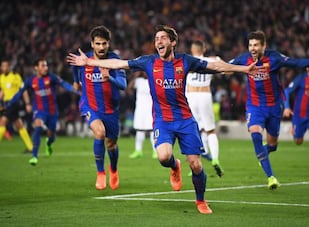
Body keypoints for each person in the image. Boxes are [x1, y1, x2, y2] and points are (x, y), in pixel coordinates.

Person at [67, 24, 258, 214]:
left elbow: (215, 65)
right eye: (156, 38)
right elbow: (119, 63)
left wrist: (243, 69)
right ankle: (175, 166)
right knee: (164, 157)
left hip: (185, 120)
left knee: (196, 164)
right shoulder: (148, 62)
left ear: (173, 42)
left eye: (163, 38)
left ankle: (201, 201)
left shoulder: (185, 61)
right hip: (162, 121)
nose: (158, 41)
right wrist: (89, 63)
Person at [229, 30, 309, 190]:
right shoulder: (244, 59)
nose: (252, 48)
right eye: (250, 45)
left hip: (274, 107)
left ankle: (264, 152)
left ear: (264, 46)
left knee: (273, 145)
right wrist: (211, 69)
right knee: (255, 134)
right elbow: (227, 65)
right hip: (255, 107)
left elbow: (297, 63)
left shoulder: (274, 58)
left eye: (256, 45)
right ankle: (271, 177)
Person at [71, 25, 127, 191]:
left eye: (104, 43)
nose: (101, 47)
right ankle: (101, 173)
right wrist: (76, 80)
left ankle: (113, 169)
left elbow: (123, 85)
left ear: (108, 44)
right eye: (98, 43)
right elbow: (75, 66)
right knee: (99, 132)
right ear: (92, 44)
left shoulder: (115, 61)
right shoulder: (84, 59)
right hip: (89, 105)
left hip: (110, 109)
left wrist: (109, 77)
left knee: (111, 145)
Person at [5, 58, 78, 165]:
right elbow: (19, 93)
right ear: (36, 68)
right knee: (38, 127)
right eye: (43, 66)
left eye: (46, 65)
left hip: (52, 111)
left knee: (51, 135)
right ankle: (34, 156)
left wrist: (74, 90)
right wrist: (9, 103)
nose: (46, 68)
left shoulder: (52, 77)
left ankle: (49, 143)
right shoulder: (31, 80)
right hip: (39, 110)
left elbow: (64, 84)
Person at [185, 40, 224, 177]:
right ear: (204, 49)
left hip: (190, 96)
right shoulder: (211, 60)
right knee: (210, 130)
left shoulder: (187, 60)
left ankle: (195, 164)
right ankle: (215, 158)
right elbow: (226, 70)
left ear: (192, 49)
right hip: (205, 95)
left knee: (193, 130)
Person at [0, 59, 33, 152]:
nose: (4, 68)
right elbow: (3, 91)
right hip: (6, 103)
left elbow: (24, 90)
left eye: (6, 66)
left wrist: (27, 103)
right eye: (2, 66)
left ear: (9, 67)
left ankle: (30, 147)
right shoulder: (1, 77)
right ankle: (30, 147)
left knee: (2, 121)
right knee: (19, 125)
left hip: (14, 103)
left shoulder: (15, 77)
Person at [128, 72, 157, 159]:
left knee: (152, 130)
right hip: (140, 109)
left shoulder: (154, 80)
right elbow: (129, 89)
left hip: (151, 109)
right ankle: (138, 150)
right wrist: (134, 76)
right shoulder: (138, 81)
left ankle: (155, 151)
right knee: (139, 130)